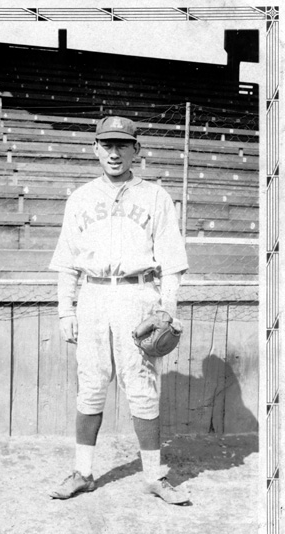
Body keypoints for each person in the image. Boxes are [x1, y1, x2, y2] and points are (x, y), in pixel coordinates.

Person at [49, 116, 189, 504]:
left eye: (122, 145)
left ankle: (153, 477)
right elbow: (67, 262)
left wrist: (167, 309)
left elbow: (173, 261)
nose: (114, 152)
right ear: (95, 148)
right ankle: (83, 472)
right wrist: (65, 309)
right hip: (93, 296)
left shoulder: (156, 196)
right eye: (106, 144)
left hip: (138, 296)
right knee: (91, 386)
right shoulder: (80, 197)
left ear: (136, 151)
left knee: (143, 388)